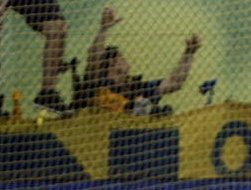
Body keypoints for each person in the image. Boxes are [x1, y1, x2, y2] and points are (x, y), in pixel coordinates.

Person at [71, 6, 202, 115]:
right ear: (112, 62)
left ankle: (146, 112)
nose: (126, 59)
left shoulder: (136, 88)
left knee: (160, 109)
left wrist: (189, 53)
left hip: (133, 138)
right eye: (121, 56)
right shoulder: (97, 84)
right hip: (98, 134)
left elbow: (175, 83)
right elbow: (94, 59)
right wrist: (103, 29)